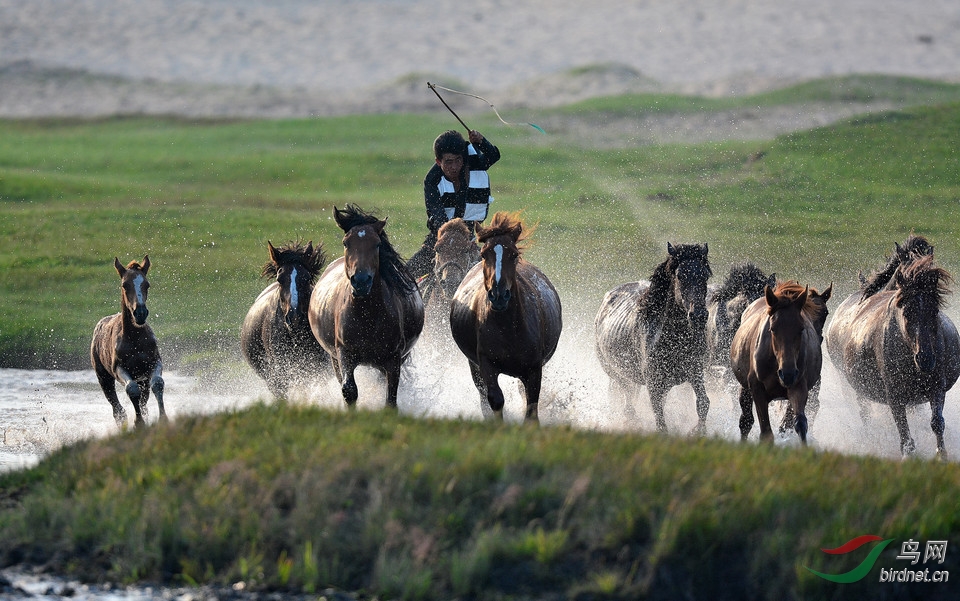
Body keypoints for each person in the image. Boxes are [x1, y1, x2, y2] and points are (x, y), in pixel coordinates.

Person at [406, 129, 500, 280]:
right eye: (449, 162)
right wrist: (451, 242)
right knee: (405, 277)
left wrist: (481, 141)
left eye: (458, 160)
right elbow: (437, 216)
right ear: (439, 162)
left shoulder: (474, 162)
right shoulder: (432, 180)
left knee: (498, 277)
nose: (455, 167)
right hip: (442, 238)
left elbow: (493, 155)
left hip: (472, 237)